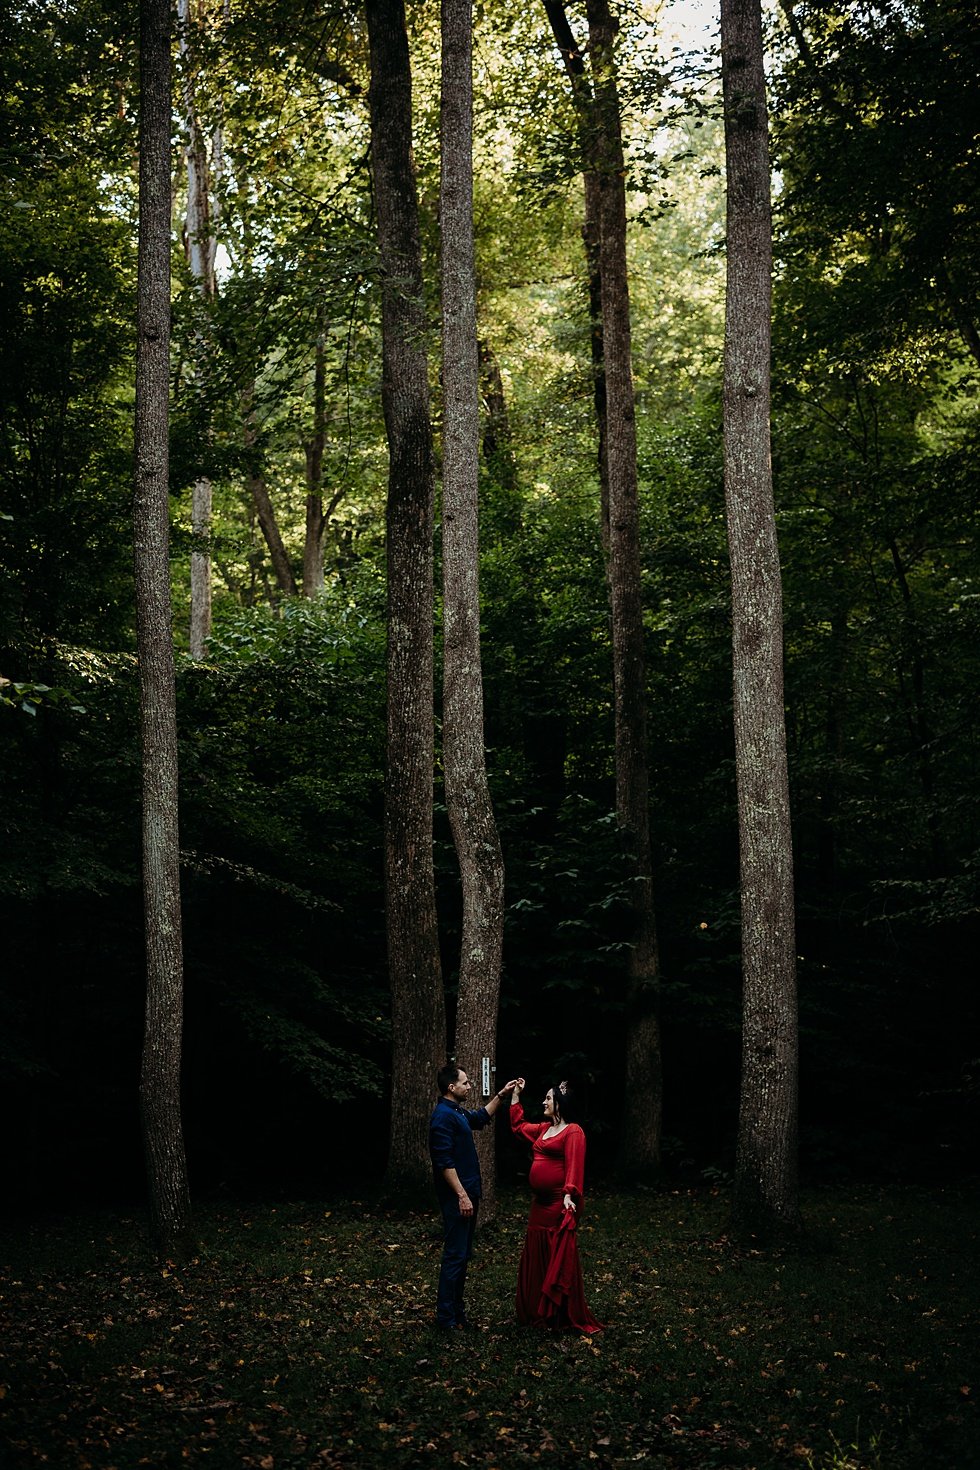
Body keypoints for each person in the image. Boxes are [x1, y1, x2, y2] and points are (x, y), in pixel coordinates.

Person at [428, 1063, 521, 1330]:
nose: (470, 1086)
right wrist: (462, 1195)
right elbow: (444, 1163)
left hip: (469, 1192)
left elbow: (480, 1117)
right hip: (458, 1197)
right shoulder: (442, 1117)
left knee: (463, 1254)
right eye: (466, 1083)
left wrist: (501, 1095)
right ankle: (445, 1319)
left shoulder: (456, 1111)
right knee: (455, 1256)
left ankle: (458, 1314)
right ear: (451, 1087)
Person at [508, 1076, 603, 1334]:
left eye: (548, 1098)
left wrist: (570, 1194)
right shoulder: (543, 1129)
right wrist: (516, 1095)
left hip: (557, 1204)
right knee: (537, 1252)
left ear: (559, 1103)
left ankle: (556, 1314)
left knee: (556, 1255)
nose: (544, 1102)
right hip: (539, 1206)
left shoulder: (573, 1131)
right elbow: (518, 1127)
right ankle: (534, 1309)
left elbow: (575, 1164)